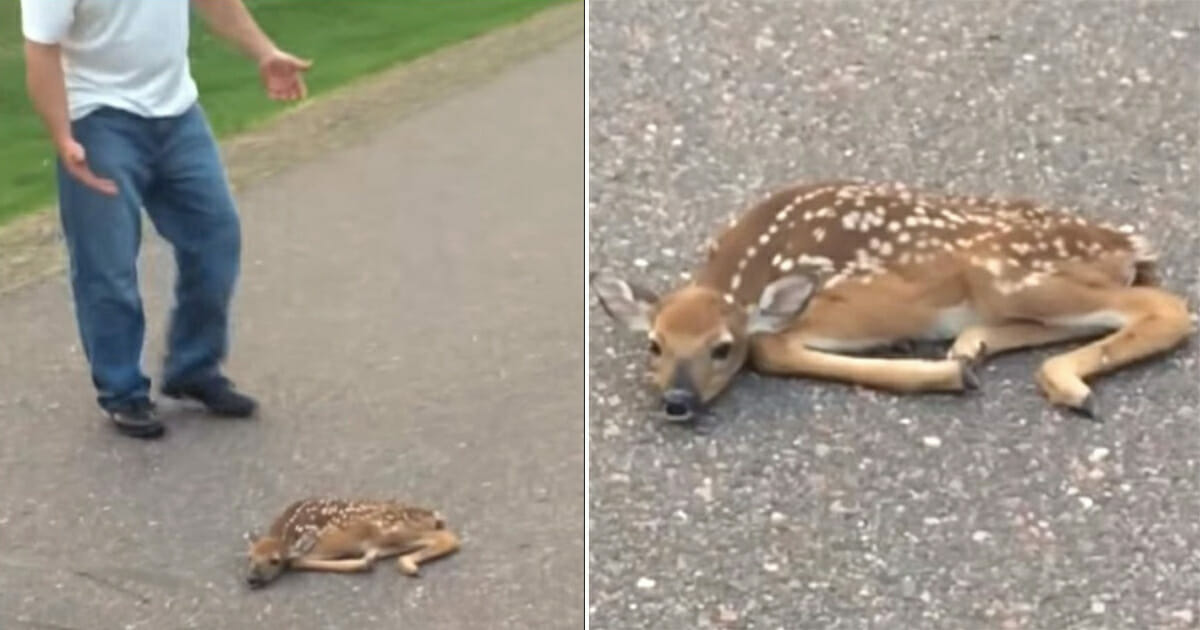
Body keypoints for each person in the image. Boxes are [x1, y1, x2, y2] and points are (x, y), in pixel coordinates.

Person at [21, 0, 312, 439]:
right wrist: (63, 135)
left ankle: (193, 367)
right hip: (98, 119)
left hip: (178, 115)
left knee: (216, 237)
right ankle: (122, 390)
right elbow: (41, 51)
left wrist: (264, 52)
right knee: (108, 264)